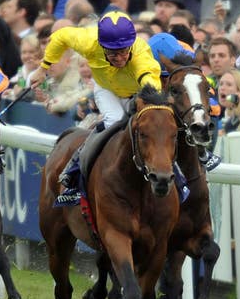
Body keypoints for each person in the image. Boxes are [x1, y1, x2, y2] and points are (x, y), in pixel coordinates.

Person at [29, 10, 161, 194]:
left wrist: (149, 99)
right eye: (113, 54)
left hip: (135, 91)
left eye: (123, 52)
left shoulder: (141, 54)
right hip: (106, 88)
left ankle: (176, 177)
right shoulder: (88, 40)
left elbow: (150, 81)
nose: (120, 58)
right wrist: (43, 69)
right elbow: (59, 37)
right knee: (114, 121)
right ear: (101, 45)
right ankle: (74, 169)